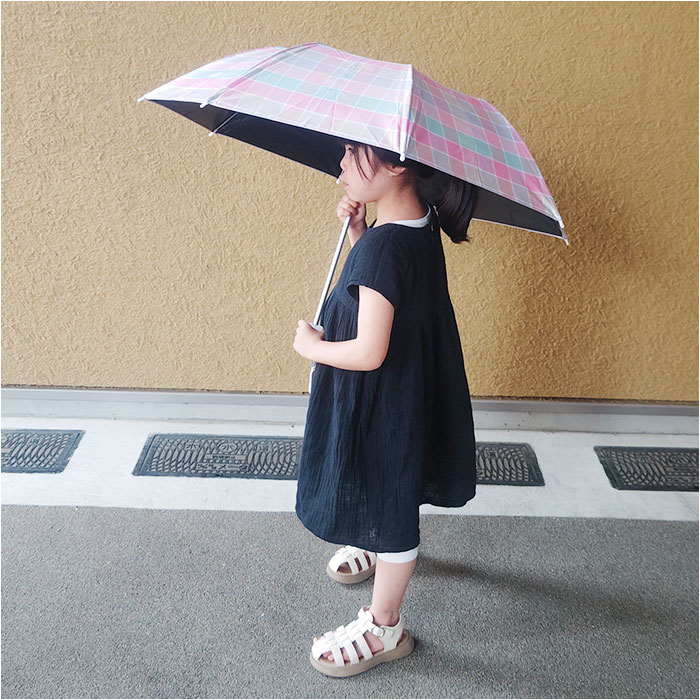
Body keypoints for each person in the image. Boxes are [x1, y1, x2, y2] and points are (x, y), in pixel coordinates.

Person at [292, 138, 478, 677]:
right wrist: (360, 234)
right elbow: (392, 290)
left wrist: (312, 348)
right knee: (385, 485)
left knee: (391, 499)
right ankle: (375, 541)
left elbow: (369, 351)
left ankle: (384, 626)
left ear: (396, 164)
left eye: (354, 152)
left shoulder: (385, 247)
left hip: (384, 398)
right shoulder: (419, 221)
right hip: (407, 388)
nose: (341, 163)